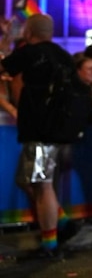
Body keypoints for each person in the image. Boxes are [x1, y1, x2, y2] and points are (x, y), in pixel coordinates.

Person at [0, 14, 74, 260]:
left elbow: (4, 65)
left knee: (42, 185)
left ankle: (50, 245)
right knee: (29, 180)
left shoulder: (29, 53)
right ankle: (62, 222)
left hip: (39, 131)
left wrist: (6, 39)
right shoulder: (64, 56)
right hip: (57, 130)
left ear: (29, 31)